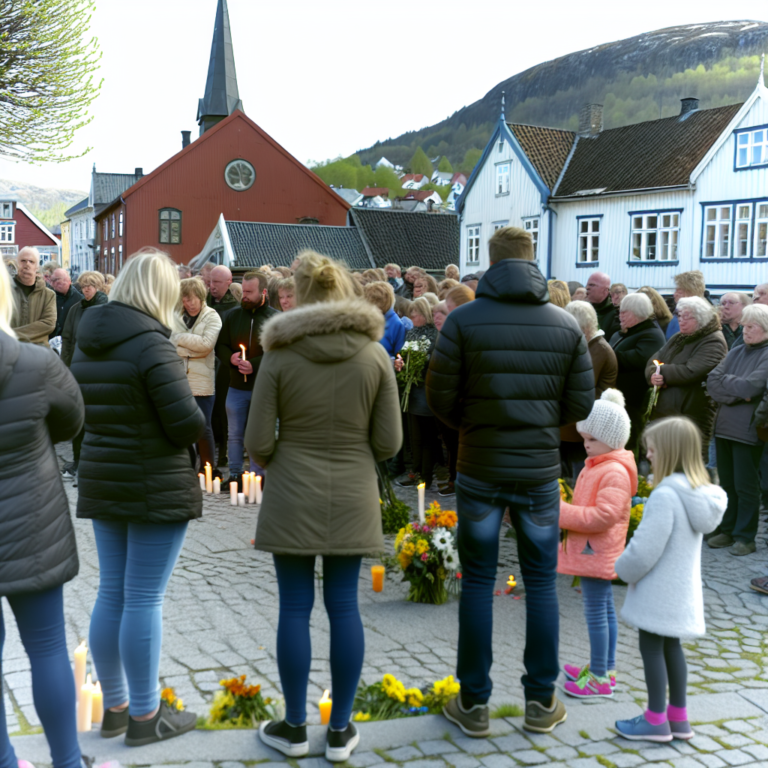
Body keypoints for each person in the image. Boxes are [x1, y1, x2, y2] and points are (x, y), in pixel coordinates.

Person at [427, 226, 594, 736]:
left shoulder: (462, 320)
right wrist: (540, 424)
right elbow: (579, 404)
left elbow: (440, 398)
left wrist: (474, 426)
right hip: (538, 471)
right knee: (540, 583)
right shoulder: (565, 325)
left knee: (477, 583)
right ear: (532, 262)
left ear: (492, 263)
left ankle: (473, 703)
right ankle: (541, 702)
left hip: (479, 465)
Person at [246, 251, 401, 762]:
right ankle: (339, 731)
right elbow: (389, 443)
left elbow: (257, 444)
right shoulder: (375, 354)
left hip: (292, 491)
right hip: (353, 492)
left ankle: (293, 727)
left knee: (294, 608)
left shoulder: (281, 354)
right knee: (344, 607)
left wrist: (283, 453)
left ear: (299, 294)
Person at [70, 248, 205, 745]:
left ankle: (117, 708)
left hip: (105, 474)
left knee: (113, 593)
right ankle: (146, 717)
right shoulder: (153, 344)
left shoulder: (87, 340)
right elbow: (184, 423)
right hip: (153, 481)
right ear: (161, 293)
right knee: (144, 597)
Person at [0, 259, 90, 768]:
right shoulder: (36, 365)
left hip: (30, 525)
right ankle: (68, 762)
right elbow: (70, 422)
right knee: (48, 648)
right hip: (32, 523)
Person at [614, 417, 726, 742]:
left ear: (669, 452)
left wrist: (621, 569)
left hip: (657, 593)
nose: (648, 455)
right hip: (680, 593)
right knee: (672, 648)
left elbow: (645, 549)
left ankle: (654, 720)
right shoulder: (697, 494)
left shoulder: (665, 496)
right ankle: (678, 718)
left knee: (651, 648)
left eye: (652, 449)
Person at [559, 390, 637, 699]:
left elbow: (603, 516)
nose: (585, 444)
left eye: (591, 439)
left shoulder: (613, 471)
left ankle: (601, 677)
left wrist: (561, 512)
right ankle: (603, 667)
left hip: (598, 552)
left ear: (611, 438)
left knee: (597, 612)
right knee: (603, 610)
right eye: (584, 438)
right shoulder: (599, 465)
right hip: (593, 551)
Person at [705, 304, 768, 556]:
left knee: (746, 486)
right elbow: (712, 381)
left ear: (765, 329)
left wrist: (731, 389)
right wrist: (737, 393)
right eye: (744, 325)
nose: (745, 330)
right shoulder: (737, 350)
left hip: (747, 430)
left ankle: (745, 536)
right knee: (727, 484)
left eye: (751, 326)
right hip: (724, 428)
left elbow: (751, 388)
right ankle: (727, 530)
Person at [216, 269, 278, 488]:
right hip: (235, 385)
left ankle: (257, 477)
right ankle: (234, 474)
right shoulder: (233, 316)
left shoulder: (274, 319)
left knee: (258, 434)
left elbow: (278, 352)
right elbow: (220, 345)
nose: (245, 296)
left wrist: (256, 364)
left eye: (250, 292)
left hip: (262, 387)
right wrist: (230, 358)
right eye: (243, 291)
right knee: (234, 434)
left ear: (263, 292)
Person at [645, 297, 727, 457]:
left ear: (701, 318)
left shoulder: (713, 341)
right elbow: (652, 361)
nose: (681, 320)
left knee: (687, 464)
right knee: (663, 462)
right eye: (679, 315)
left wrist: (660, 372)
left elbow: (691, 371)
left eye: (686, 317)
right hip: (666, 413)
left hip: (691, 415)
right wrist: (652, 375)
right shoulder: (678, 338)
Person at [60, 271, 109, 482]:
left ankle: (98, 463)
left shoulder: (107, 309)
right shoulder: (75, 309)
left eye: (91, 285)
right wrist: (66, 369)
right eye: (84, 286)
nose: (87, 289)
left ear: (99, 286)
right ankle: (78, 460)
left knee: (97, 420)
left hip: (99, 372)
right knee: (79, 420)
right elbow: (68, 339)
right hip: (78, 370)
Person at [561, 301, 617, 481]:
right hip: (574, 422)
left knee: (578, 478)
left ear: (583, 327)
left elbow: (580, 385)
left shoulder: (598, 349)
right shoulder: (586, 346)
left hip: (583, 424)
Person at [173, 277, 223, 475]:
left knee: (203, 426)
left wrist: (179, 340)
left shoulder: (212, 316)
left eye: (192, 299)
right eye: (185, 299)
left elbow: (206, 346)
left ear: (201, 297)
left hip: (202, 380)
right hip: (179, 379)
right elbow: (167, 343)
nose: (188, 303)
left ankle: (207, 468)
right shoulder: (175, 315)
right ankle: (186, 467)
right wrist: (188, 346)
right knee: (182, 426)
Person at [395, 297, 441, 489]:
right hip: (412, 392)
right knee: (415, 438)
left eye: (416, 313)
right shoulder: (411, 333)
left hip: (426, 392)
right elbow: (404, 355)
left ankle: (426, 475)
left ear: (424, 314)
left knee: (427, 437)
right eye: (411, 313)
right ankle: (415, 470)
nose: (412, 316)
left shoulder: (433, 334)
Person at [609, 293, 666, 443]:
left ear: (637, 313)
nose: (619, 316)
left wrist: (609, 357)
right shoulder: (623, 332)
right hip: (618, 399)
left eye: (623, 312)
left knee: (630, 442)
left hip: (634, 402)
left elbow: (639, 359)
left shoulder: (651, 335)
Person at [207, 265, 239, 466]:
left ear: (228, 283)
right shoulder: (203, 305)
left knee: (222, 409)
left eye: (217, 282)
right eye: (210, 282)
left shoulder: (234, 309)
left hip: (223, 365)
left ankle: (224, 452)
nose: (212, 286)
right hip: (203, 362)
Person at [10, 247, 56, 345]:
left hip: (38, 352)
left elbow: (48, 324)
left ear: (37, 267)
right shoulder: (5, 292)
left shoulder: (48, 295)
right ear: (17, 264)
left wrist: (11, 335)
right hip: (10, 351)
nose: (27, 265)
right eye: (23, 261)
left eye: (31, 261)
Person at [364, 281, 405, 357]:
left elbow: (399, 354)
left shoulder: (396, 323)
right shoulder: (363, 318)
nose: (375, 303)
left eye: (378, 300)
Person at [665, 270, 706, 339]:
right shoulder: (680, 314)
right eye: (675, 291)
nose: (674, 295)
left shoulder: (695, 319)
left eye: (679, 292)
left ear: (691, 294)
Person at [50, 268, 82, 339]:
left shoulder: (79, 299)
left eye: (56, 280)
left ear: (68, 281)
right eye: (52, 280)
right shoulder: (49, 297)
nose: (52, 283)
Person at [585, 271, 619, 339]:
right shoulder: (584, 309)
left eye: (592, 285)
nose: (587, 288)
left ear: (605, 290)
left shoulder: (616, 315)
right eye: (587, 285)